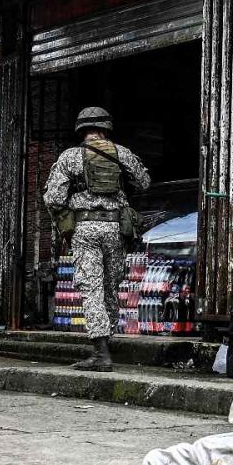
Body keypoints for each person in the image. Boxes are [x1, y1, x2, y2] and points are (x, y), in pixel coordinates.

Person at [43, 107, 151, 372]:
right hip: (115, 228)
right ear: (106, 128)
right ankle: (108, 342)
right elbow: (144, 182)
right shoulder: (122, 153)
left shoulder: (70, 157)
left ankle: (101, 353)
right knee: (110, 286)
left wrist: (65, 219)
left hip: (85, 229)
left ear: (81, 130)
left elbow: (53, 198)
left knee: (91, 288)